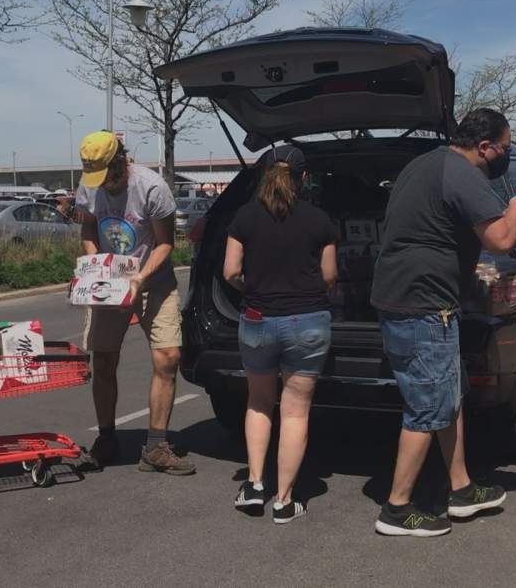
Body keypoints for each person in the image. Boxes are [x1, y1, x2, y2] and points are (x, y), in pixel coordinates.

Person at [370, 108, 516, 537]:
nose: (506, 154)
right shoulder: (461, 172)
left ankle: (461, 488)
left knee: (449, 396)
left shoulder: (423, 165)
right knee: (427, 407)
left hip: (409, 299)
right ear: (484, 147)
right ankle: (396, 509)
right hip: (423, 306)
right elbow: (500, 237)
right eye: (505, 147)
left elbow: (441, 231)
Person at [222, 146, 337, 524]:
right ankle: (285, 501)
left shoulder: (245, 217)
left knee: (258, 402)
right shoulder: (320, 220)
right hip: (307, 322)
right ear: (303, 179)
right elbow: (330, 276)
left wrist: (253, 288)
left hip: (256, 320)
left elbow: (230, 272)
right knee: (295, 412)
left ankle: (254, 485)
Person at [75, 130, 194, 475]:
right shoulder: (90, 186)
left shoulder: (152, 187)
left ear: (120, 160)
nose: (104, 184)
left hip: (153, 282)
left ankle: (156, 446)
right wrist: (96, 264)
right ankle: (107, 438)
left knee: (168, 356)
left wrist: (139, 278)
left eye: (108, 175)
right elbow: (88, 230)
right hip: (109, 285)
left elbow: (165, 243)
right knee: (104, 359)